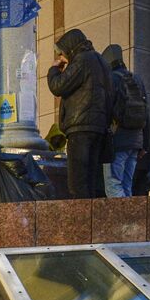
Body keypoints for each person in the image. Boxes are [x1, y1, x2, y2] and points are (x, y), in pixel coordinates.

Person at [46, 27, 112, 199]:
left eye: (62, 53)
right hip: (98, 127)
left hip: (80, 126)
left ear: (70, 47)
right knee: (91, 180)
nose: (61, 58)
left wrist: (54, 69)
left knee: (77, 182)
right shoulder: (102, 63)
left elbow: (58, 86)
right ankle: (91, 220)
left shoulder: (82, 60)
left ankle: (80, 221)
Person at [101, 45, 150, 197]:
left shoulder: (111, 80)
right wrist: (145, 144)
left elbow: (106, 111)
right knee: (127, 185)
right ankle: (130, 219)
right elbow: (146, 113)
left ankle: (120, 220)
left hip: (117, 141)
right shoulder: (136, 79)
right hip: (136, 142)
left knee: (113, 183)